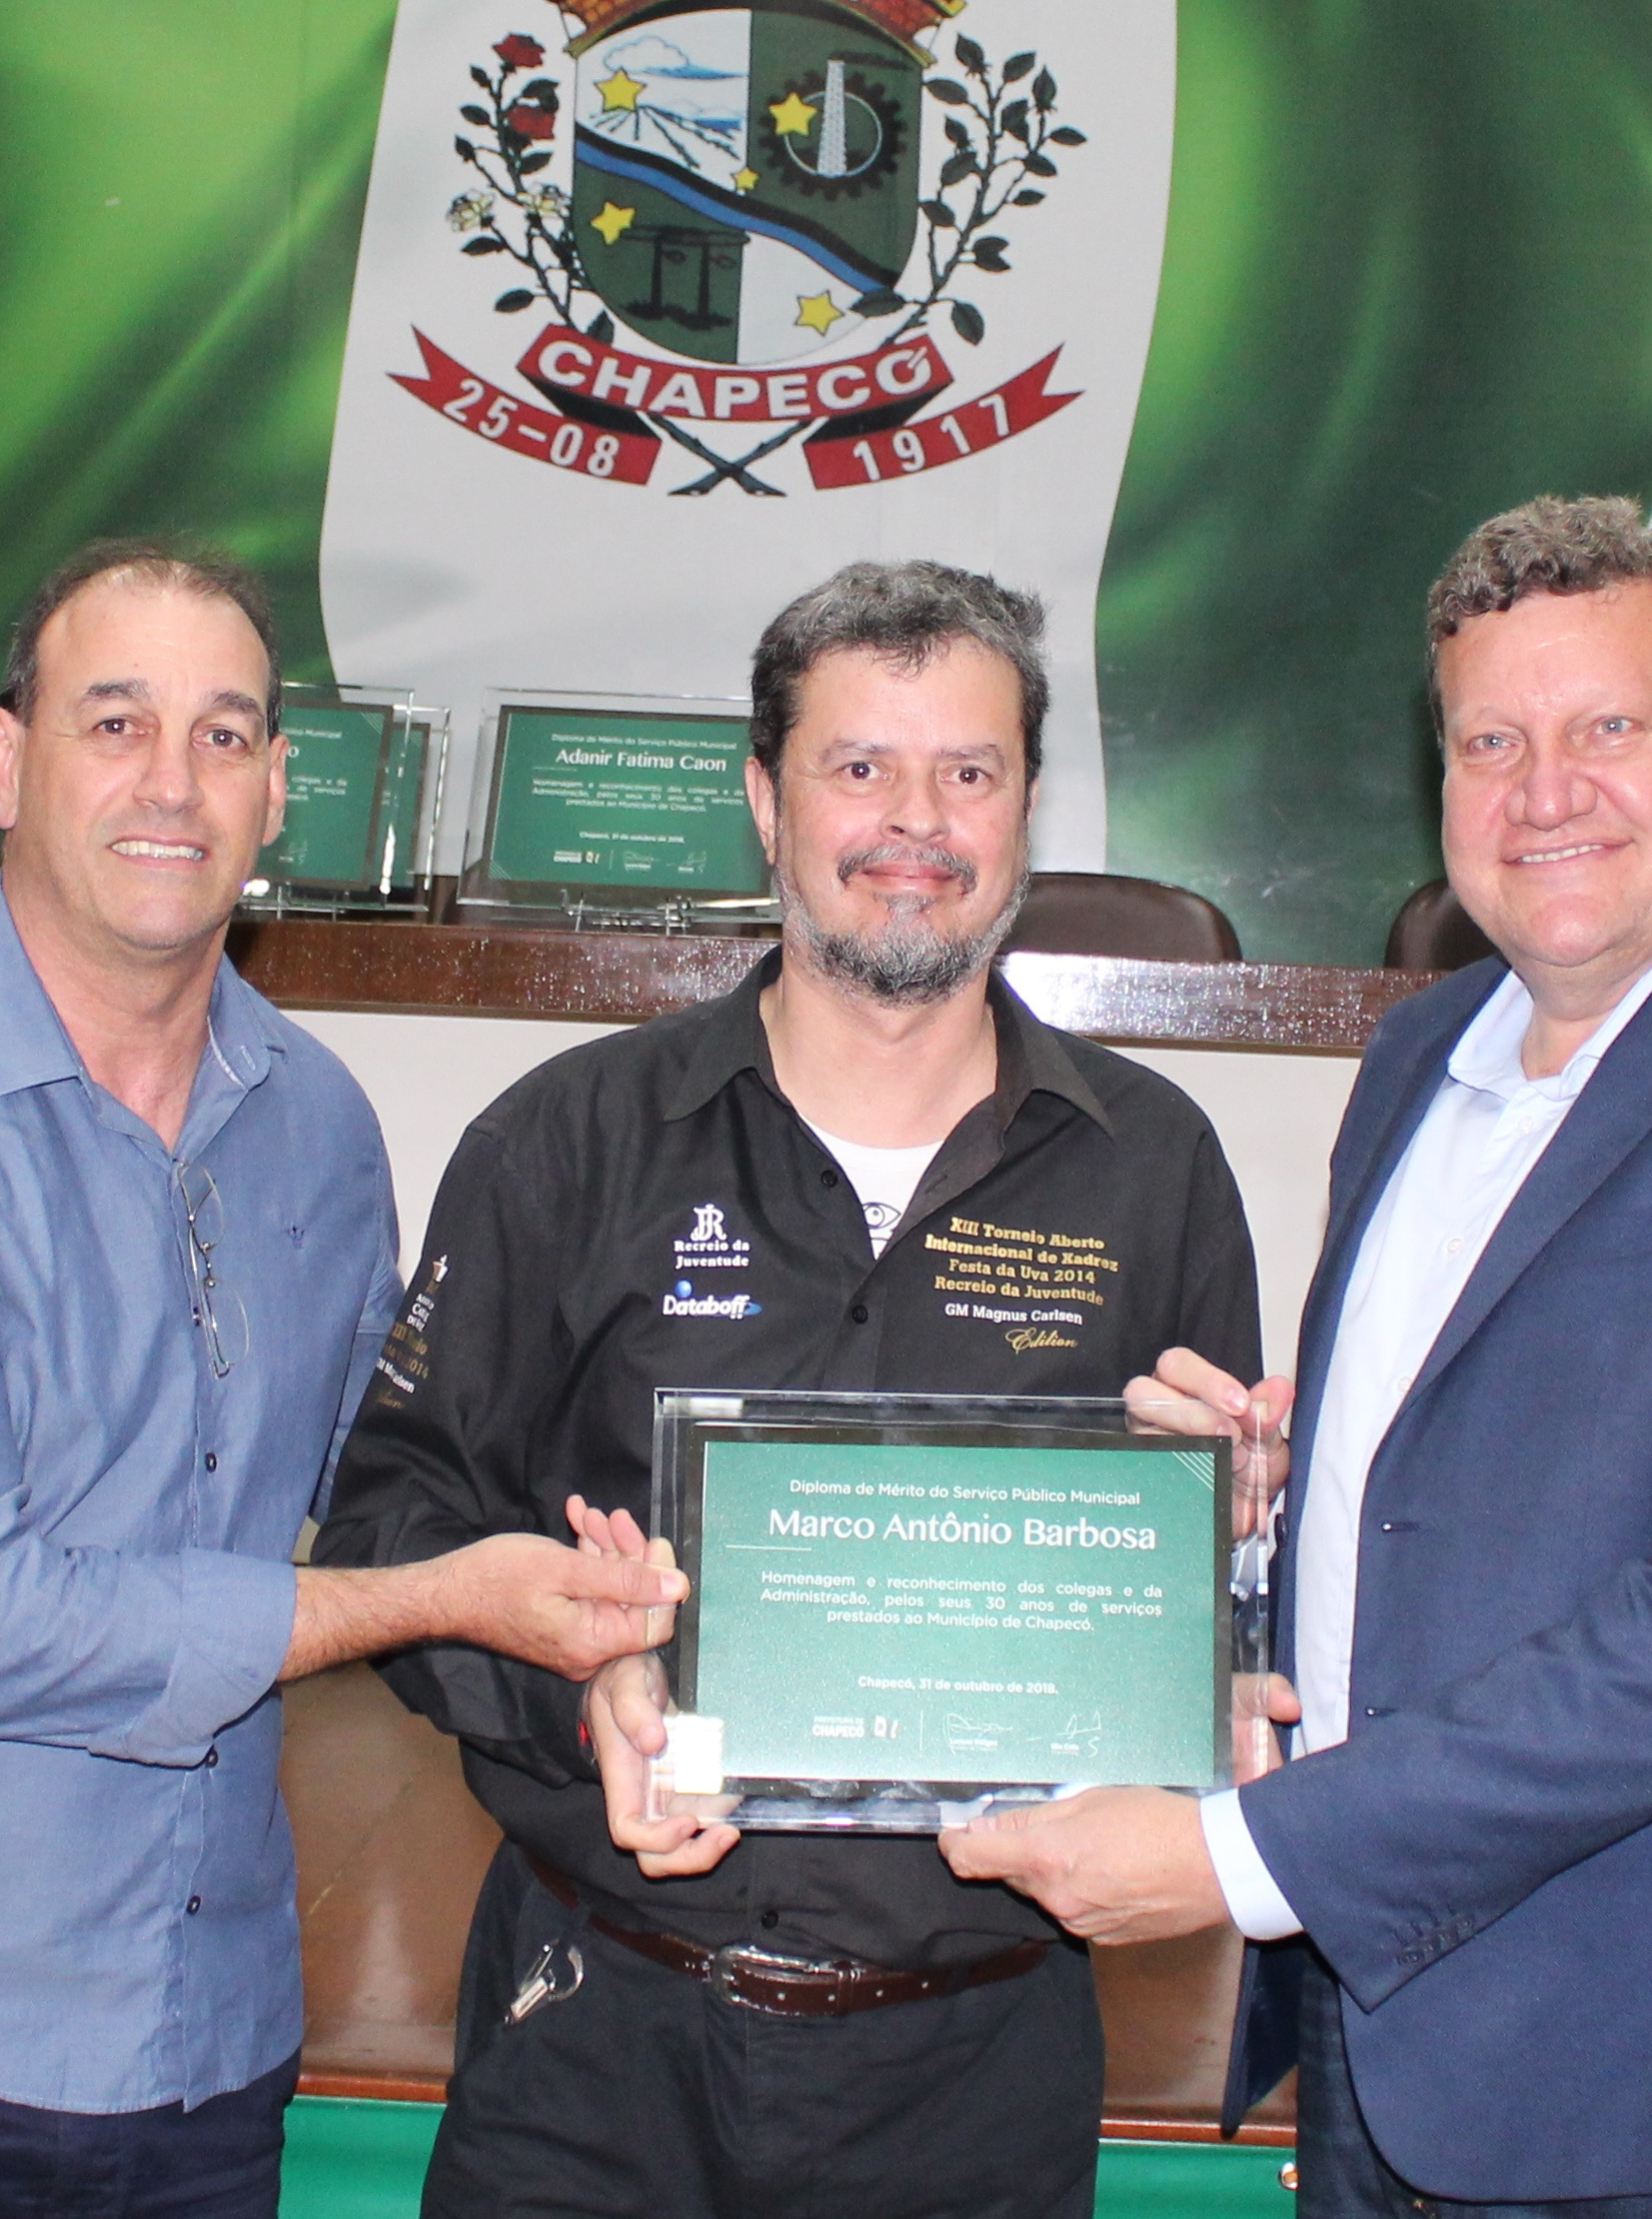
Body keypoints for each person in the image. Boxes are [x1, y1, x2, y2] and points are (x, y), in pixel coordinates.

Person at [946, 496, 1652, 2218]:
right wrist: (1257, 1511)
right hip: (1378, 2028)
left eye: (1606, 727)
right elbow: (1451, 1487)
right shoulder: (1423, 1055)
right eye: (1490, 742)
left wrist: (1239, 1857)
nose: (1545, 792)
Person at [0, 538, 684, 2219]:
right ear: (4, 764)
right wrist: (433, 1597)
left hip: (199, 2049)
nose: (172, 783)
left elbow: (388, 1479)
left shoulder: (316, 1124)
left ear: (276, 793)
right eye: (113, 723)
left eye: (222, 736)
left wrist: (613, 1629)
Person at [314, 561, 1267, 2219]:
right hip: (596, 2046)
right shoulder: (566, 1142)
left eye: (967, 772)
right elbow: (393, 1521)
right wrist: (578, 1695)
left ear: (1025, 807)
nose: (916, 823)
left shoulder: (1154, 1169)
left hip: (982, 2073)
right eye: (859, 767)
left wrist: (1233, 1554)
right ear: (765, 801)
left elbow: (1215, 1594)